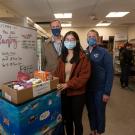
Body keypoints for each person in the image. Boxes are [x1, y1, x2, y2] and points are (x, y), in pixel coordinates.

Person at [53, 31, 91, 135]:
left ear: (76, 41)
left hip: (77, 94)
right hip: (64, 94)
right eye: (67, 40)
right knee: (67, 120)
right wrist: (52, 79)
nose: (69, 42)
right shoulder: (62, 57)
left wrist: (68, 84)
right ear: (64, 41)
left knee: (77, 121)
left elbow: (84, 77)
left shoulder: (83, 57)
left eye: (72, 39)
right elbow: (57, 73)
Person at [85, 29, 113, 135]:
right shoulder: (85, 52)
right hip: (88, 90)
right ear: (86, 39)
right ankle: (93, 131)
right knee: (90, 111)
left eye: (93, 36)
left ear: (97, 38)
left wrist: (107, 92)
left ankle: (99, 132)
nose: (91, 38)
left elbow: (110, 73)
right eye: (89, 36)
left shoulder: (104, 52)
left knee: (100, 112)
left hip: (100, 90)